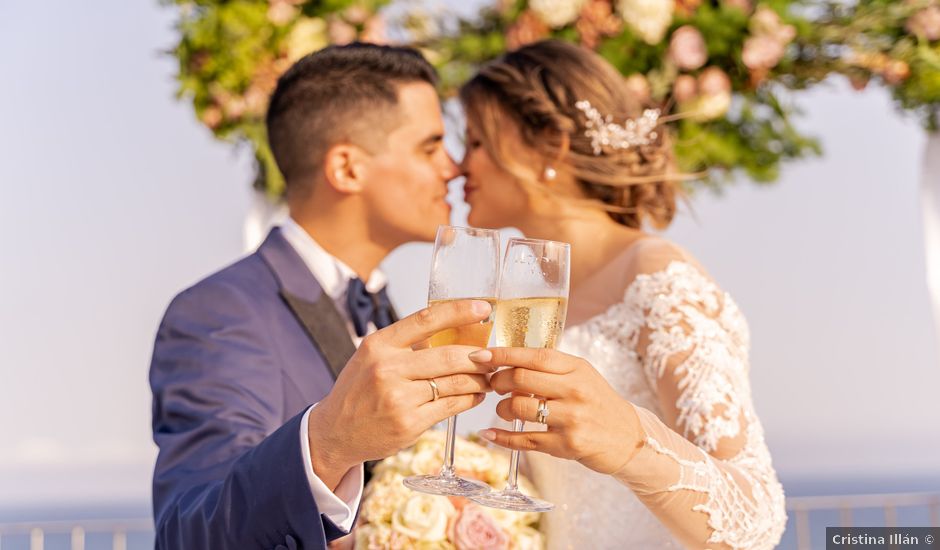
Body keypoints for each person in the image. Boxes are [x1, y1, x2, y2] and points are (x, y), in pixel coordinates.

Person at [149, 43, 494, 549]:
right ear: (348, 169)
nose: (454, 167)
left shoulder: (386, 308)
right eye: (430, 146)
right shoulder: (219, 311)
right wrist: (327, 444)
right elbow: (188, 533)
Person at [459, 40, 787, 549]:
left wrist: (630, 443)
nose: (461, 166)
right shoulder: (527, 294)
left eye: (477, 143)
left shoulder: (657, 279)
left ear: (551, 146)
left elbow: (756, 519)